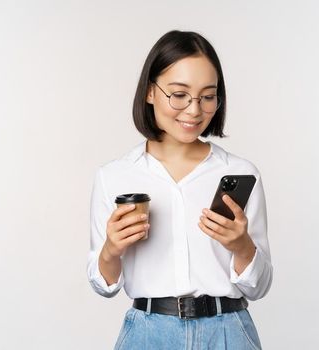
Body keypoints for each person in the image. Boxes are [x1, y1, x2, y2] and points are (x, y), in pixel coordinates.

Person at [87, 30, 273, 349]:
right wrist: (111, 250)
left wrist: (242, 245)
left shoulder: (240, 173)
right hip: (148, 334)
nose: (194, 110)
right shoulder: (114, 176)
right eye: (179, 94)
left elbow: (260, 286)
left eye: (207, 96)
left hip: (228, 333)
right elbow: (103, 285)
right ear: (150, 92)